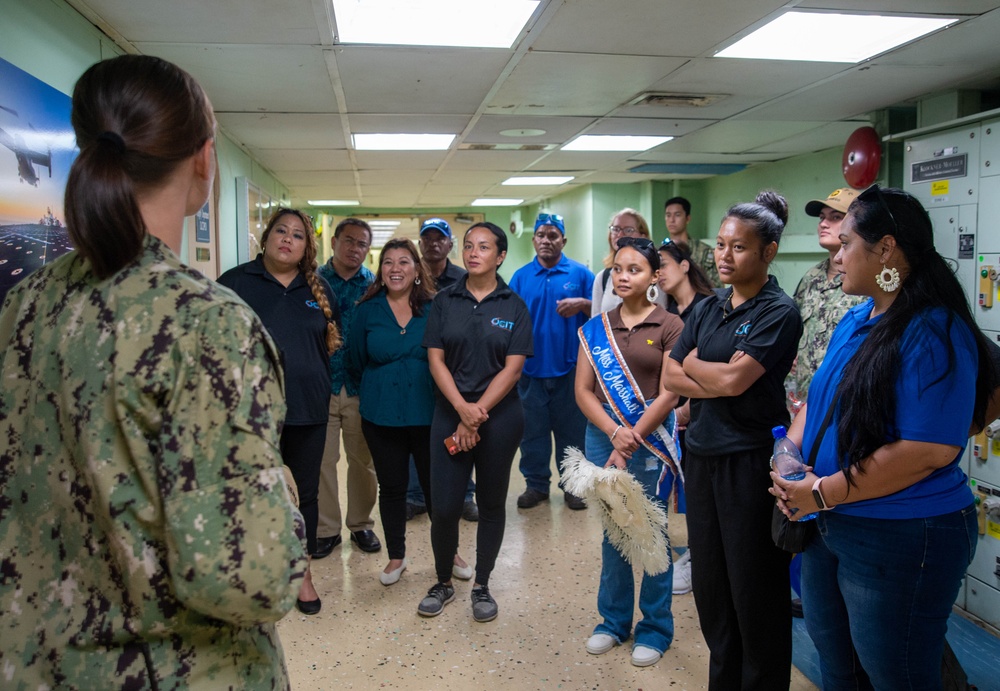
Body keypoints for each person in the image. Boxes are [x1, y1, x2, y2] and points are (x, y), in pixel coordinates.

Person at [0, 55, 306, 688]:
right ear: (202, 160)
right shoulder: (206, 321)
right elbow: (248, 578)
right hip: (174, 668)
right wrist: (284, 500)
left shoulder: (25, 305)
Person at [770, 185, 997, 690]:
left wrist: (822, 491)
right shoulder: (859, 317)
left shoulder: (933, 331)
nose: (836, 252)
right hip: (833, 522)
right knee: (840, 667)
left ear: (886, 249)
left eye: (847, 241)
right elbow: (815, 402)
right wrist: (788, 454)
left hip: (900, 535)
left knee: (899, 676)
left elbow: (927, 450)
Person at [664, 191, 803, 690]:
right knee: (713, 592)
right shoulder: (709, 306)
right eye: (721, 245)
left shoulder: (778, 312)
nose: (724, 256)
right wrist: (709, 371)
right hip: (701, 458)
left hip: (747, 465)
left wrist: (697, 366)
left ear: (768, 252)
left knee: (754, 593)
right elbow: (669, 375)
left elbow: (732, 383)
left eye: (738, 247)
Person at [218, 207, 339, 615]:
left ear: (307, 247)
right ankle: (257, 571)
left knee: (304, 495)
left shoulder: (319, 289)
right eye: (281, 232)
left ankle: (302, 575)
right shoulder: (234, 284)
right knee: (254, 492)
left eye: (298, 236)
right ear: (266, 237)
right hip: (251, 414)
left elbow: (329, 345)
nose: (288, 239)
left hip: (308, 408)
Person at [575, 237, 684, 667]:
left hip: (650, 435)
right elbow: (583, 391)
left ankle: (655, 627)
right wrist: (614, 432)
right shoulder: (595, 328)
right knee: (615, 530)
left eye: (634, 269)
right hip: (604, 435)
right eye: (618, 268)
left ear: (655, 276)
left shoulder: (670, 326)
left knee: (653, 532)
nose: (623, 276)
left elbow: (671, 392)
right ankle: (613, 621)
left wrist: (632, 435)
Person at [418, 222, 532, 622]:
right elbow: (436, 360)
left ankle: (482, 584)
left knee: (491, 503)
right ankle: (443, 581)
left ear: (500, 257)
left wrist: (477, 412)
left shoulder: (514, 305)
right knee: (446, 507)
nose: (473, 252)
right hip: (450, 413)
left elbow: (513, 369)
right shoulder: (445, 300)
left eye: (484, 247)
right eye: (468, 246)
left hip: (499, 418)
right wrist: (462, 412)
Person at [347, 238, 473, 586]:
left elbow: (450, 357)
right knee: (392, 488)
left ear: (417, 271)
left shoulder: (436, 308)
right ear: (380, 270)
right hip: (380, 415)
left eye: (404, 262)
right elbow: (355, 361)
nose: (395, 269)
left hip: (430, 414)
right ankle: (396, 556)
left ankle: (450, 553)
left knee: (438, 489)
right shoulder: (367, 310)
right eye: (388, 262)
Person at [509, 213, 594, 510]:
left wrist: (584, 304)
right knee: (532, 434)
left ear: (564, 240)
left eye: (553, 235)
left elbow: (605, 314)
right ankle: (536, 486)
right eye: (541, 235)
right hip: (529, 372)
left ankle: (573, 487)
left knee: (572, 435)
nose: (546, 240)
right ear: (533, 240)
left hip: (571, 371)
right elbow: (508, 323)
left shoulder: (581, 275)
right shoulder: (520, 277)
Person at [315, 218, 382, 557]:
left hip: (359, 386)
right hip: (322, 386)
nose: (355, 248)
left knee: (362, 462)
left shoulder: (374, 287)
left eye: (362, 244)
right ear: (334, 242)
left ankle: (361, 525)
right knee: (323, 461)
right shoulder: (311, 282)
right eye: (349, 241)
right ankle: (326, 529)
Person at [407, 217, 479, 523]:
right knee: (415, 432)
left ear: (450, 244)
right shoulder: (411, 278)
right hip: (418, 368)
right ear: (420, 244)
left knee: (460, 430)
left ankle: (464, 495)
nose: (433, 244)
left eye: (440, 239)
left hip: (457, 370)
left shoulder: (464, 279)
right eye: (428, 239)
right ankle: (416, 496)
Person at [656, 239, 716, 597]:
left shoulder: (708, 308)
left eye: (663, 263)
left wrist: (685, 409)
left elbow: (707, 372)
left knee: (702, 497)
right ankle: (694, 553)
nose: (659, 272)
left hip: (700, 415)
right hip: (674, 418)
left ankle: (699, 559)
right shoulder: (664, 313)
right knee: (685, 493)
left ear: (684, 265)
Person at [791, 187, 866, 405]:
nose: (823, 224)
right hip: (804, 400)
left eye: (835, 217)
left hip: (845, 400)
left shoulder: (865, 282)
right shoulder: (811, 277)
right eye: (822, 218)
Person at [591, 208, 668, 315]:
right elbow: (596, 323)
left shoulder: (657, 275)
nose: (620, 234)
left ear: (643, 236)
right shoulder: (603, 278)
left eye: (628, 230)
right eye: (616, 229)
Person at [664, 196, 722, 288]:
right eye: (668, 215)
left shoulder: (704, 251)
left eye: (677, 215)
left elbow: (716, 287)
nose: (672, 220)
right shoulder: (663, 253)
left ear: (687, 218)